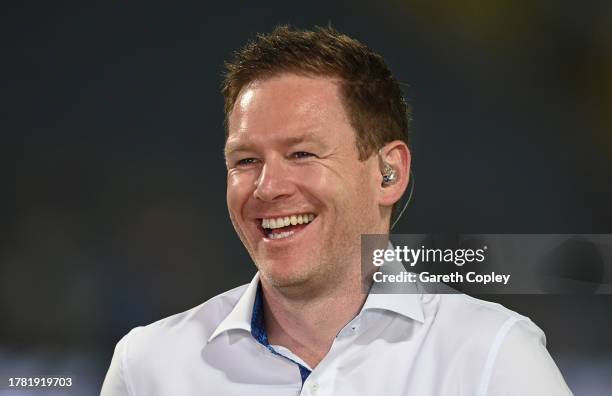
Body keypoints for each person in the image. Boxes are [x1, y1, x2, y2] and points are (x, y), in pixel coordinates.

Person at [101, 26, 572, 395]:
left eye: (302, 154)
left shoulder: (491, 355)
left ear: (389, 172)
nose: (268, 188)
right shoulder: (149, 368)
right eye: (246, 160)